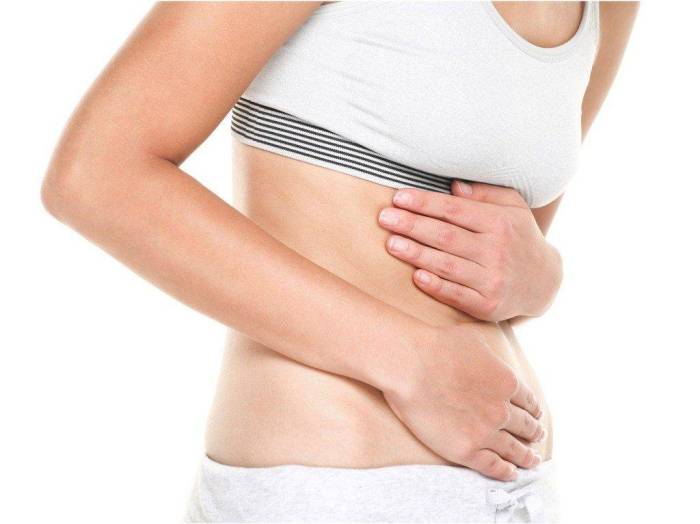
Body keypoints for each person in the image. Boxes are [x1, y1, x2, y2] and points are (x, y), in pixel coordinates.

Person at [40, 1, 638, 522]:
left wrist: (543, 278)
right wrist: (411, 363)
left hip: (516, 489)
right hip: (331, 488)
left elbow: (491, 252)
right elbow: (96, 175)